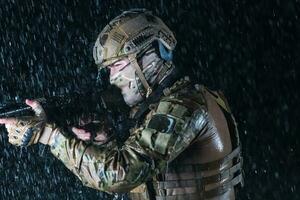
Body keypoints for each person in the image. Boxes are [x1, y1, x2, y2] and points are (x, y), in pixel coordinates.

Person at [0, 9, 243, 200]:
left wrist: (49, 135)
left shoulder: (187, 104)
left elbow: (121, 176)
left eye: (116, 65)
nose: (112, 78)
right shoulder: (156, 107)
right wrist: (105, 143)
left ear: (149, 56)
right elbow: (143, 177)